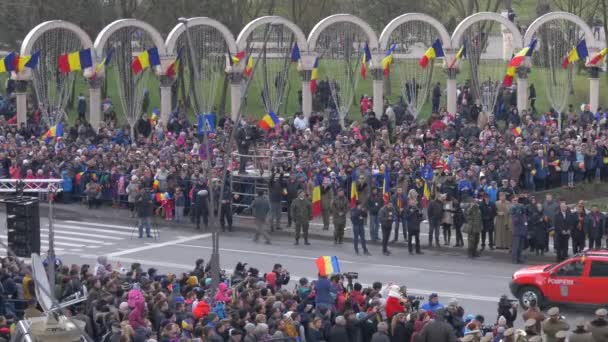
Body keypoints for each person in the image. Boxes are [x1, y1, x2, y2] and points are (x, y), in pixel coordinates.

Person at [510, 196, 527, 264]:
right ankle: (514, 259)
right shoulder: (514, 211)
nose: (517, 202)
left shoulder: (523, 215)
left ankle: (519, 258)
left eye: (517, 201)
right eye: (515, 200)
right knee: (516, 247)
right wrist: (517, 212)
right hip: (517, 232)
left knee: (520, 247)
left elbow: (525, 223)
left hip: (522, 231)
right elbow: (515, 222)